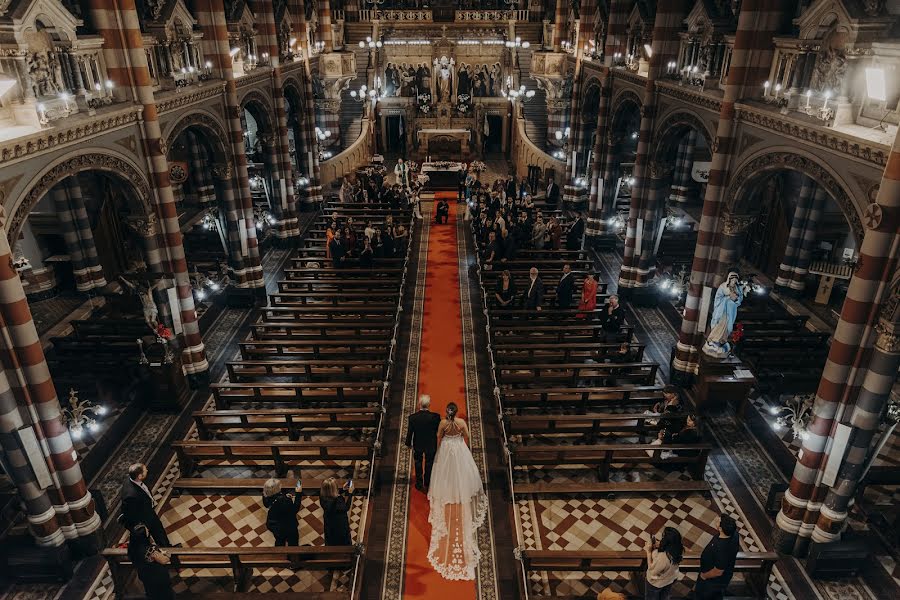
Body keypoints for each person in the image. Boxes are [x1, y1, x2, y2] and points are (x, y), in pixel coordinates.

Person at [428, 402, 487, 581]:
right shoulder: (461, 423)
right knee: (462, 472)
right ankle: (460, 490)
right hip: (459, 447)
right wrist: (460, 441)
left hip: (447, 448)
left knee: (445, 474)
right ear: (457, 412)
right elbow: (467, 436)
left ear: (447, 412)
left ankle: (449, 491)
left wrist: (443, 446)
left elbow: (439, 437)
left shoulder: (443, 424)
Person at [121, 463, 171, 547]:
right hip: (145, 517)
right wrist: (144, 524)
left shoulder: (132, 479)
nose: (147, 470)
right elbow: (131, 512)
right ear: (139, 476)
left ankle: (166, 545)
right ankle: (166, 549)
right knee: (157, 532)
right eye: (145, 470)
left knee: (159, 531)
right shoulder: (131, 495)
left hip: (148, 510)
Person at [694, 515, 740, 599]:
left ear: (721, 529)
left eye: (719, 520)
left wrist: (704, 576)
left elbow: (718, 571)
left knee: (703, 595)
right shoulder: (735, 534)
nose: (717, 519)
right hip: (725, 576)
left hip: (711, 581)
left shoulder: (721, 548)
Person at [127, 522, 174, 600]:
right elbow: (164, 560)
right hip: (157, 577)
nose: (148, 530)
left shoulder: (131, 548)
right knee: (164, 595)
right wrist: (166, 554)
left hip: (144, 575)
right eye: (147, 531)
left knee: (151, 594)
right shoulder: (150, 550)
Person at [703, 271, 744, 358]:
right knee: (719, 326)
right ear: (729, 279)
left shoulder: (738, 288)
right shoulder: (723, 287)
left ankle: (722, 341)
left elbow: (739, 299)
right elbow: (718, 298)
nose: (734, 281)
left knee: (727, 327)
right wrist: (728, 298)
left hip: (731, 312)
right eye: (732, 279)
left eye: (735, 279)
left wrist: (735, 300)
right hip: (722, 312)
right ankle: (713, 340)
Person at [405, 394, 441, 492]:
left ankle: (419, 483)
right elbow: (438, 431)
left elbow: (410, 432)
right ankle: (427, 482)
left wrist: (408, 443)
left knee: (418, 462)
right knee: (429, 463)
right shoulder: (435, 417)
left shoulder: (412, 418)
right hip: (431, 444)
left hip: (418, 444)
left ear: (419, 404)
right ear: (429, 405)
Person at [644, 527, 683, 600]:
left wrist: (648, 552)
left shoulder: (664, 558)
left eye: (663, 537)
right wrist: (660, 545)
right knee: (664, 597)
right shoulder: (678, 548)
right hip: (670, 579)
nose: (662, 539)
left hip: (657, 583)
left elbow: (652, 570)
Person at [262, 477, 302, 546]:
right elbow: (295, 509)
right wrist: (298, 494)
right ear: (276, 489)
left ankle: (280, 553)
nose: (281, 486)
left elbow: (273, 500)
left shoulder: (265, 495)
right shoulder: (285, 501)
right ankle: (292, 555)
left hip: (274, 524)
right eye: (279, 485)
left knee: (279, 540)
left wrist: (284, 496)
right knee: (293, 542)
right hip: (288, 525)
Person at [320, 478, 353, 546]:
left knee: (330, 538)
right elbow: (346, 507)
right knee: (342, 541)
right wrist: (350, 493)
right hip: (339, 524)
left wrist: (342, 490)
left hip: (329, 522)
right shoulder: (338, 500)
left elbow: (332, 496)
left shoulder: (322, 496)